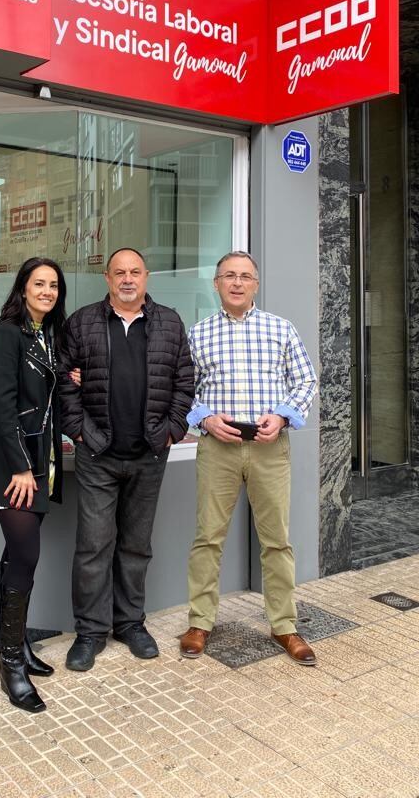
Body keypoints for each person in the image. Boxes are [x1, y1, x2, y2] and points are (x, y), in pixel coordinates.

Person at [58, 248, 194, 671]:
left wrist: (171, 429)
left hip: (149, 455)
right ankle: (90, 632)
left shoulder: (169, 322)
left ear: (147, 277)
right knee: (93, 546)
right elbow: (65, 383)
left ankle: (130, 623)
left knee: (136, 546)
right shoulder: (82, 322)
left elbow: (185, 381)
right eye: (120, 273)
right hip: (98, 454)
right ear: (107, 277)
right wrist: (80, 432)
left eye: (135, 272)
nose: (128, 279)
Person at [181, 251, 318, 665]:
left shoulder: (280, 329)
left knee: (276, 540)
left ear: (256, 284)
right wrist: (204, 418)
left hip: (268, 447)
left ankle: (285, 626)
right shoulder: (198, 334)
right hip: (217, 448)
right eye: (229, 276)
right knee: (208, 538)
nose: (237, 283)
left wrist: (281, 417)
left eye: (245, 276)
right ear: (217, 284)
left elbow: (306, 380)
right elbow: (181, 389)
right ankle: (200, 621)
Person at [0, 257, 67, 713]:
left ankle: (17, 646)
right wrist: (22, 468)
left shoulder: (47, 335)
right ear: (23, 288)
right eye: (39, 284)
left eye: (53, 285)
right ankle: (10, 664)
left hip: (40, 460)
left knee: (15, 555)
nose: (47, 291)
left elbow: (46, 395)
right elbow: (2, 408)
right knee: (26, 553)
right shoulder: (7, 333)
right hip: (12, 465)